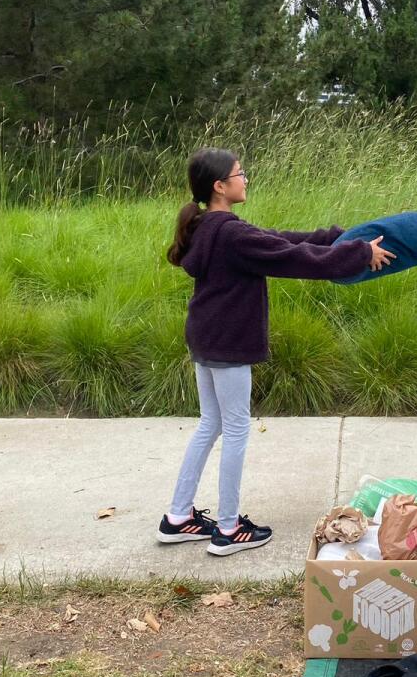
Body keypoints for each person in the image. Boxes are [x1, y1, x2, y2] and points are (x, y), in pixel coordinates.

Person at [158, 147, 394, 556]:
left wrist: (336, 238)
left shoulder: (210, 228)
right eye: (239, 173)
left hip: (205, 337)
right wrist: (358, 253)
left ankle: (178, 517)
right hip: (228, 342)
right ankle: (228, 528)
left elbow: (278, 240)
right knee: (233, 429)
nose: (245, 178)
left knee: (210, 424)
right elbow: (292, 258)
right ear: (219, 186)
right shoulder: (230, 233)